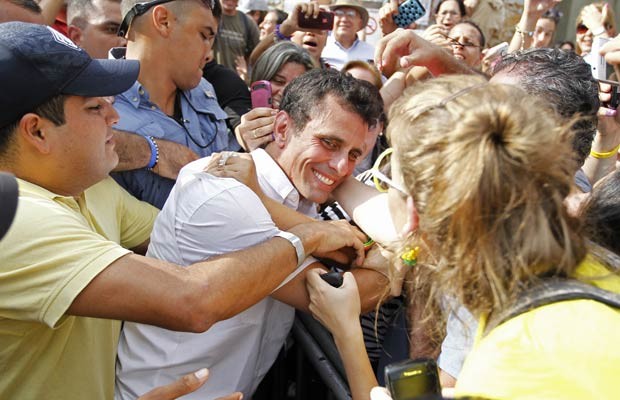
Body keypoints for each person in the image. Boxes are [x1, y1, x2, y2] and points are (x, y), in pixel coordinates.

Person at [0, 21, 367, 400]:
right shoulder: (17, 220)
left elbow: (183, 235)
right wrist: (308, 235)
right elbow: (192, 300)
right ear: (37, 131)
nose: (114, 117)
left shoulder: (92, 191)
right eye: (95, 107)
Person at [307, 74, 620, 400]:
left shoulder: (501, 369)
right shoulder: (596, 263)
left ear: (413, 213)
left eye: (390, 184)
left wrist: (346, 330)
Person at [115, 69, 388, 400]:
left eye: (356, 155)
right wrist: (402, 261)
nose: (342, 166)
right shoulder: (227, 194)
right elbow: (342, 295)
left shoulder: (300, 188)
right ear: (283, 128)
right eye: (329, 143)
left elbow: (353, 239)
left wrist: (336, 183)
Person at [111, 0, 239, 209]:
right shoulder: (96, 101)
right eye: (203, 36)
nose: (209, 54)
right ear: (163, 21)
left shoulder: (203, 89)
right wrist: (150, 151)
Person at [236, 41, 315, 150]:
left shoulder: (313, 132)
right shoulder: (241, 126)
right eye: (278, 81)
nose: (285, 91)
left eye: (295, 85)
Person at [322, 0, 374, 71]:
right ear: (332, 19)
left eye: (351, 14)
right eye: (339, 13)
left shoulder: (372, 53)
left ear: (360, 23)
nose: (344, 19)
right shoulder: (320, 48)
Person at [213, 0, 260, 71]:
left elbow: (258, 51)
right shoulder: (210, 17)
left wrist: (246, 70)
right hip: (209, 76)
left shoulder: (248, 22)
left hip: (235, 77)